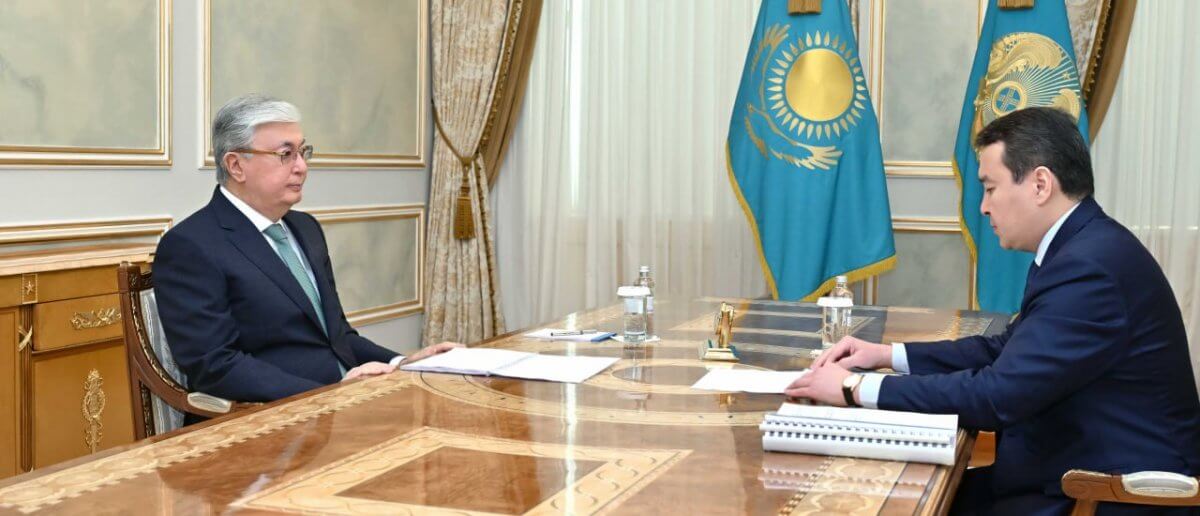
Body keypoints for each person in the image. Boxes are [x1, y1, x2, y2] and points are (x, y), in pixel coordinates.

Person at [785, 107, 1200, 514]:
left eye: (990, 188)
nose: (983, 207)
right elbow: (1005, 350)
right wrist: (887, 355)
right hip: (1067, 471)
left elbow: (998, 395)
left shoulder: (1089, 268)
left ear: (1040, 184)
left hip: (1106, 495)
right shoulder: (1082, 246)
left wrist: (854, 389)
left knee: (881, 499)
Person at [155, 94, 459, 405]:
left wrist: (402, 363)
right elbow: (216, 366)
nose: (301, 167)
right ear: (236, 165)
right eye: (285, 154)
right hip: (273, 417)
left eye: (303, 152)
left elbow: (338, 337)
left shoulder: (305, 227)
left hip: (344, 403)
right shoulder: (191, 245)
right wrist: (328, 395)